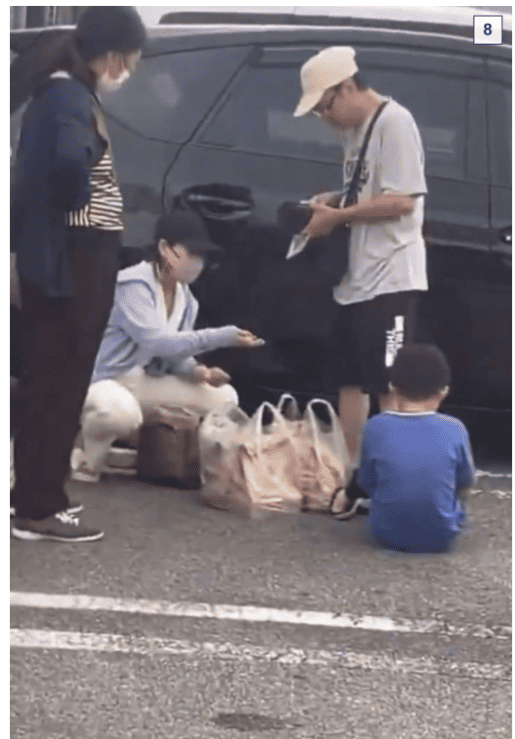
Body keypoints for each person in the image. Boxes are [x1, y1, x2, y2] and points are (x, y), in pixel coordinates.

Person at [10, 7, 147, 543]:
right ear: (110, 56)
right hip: (77, 257)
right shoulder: (69, 97)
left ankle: (35, 497)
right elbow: (70, 162)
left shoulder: (58, 92)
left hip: (63, 257)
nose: (128, 71)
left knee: (51, 377)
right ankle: (40, 506)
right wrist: (80, 198)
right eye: (129, 60)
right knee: (61, 383)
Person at [293, 46, 428, 467]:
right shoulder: (355, 132)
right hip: (357, 277)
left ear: (347, 87)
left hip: (392, 275)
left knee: (389, 383)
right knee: (349, 379)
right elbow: (369, 190)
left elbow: (403, 201)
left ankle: (393, 472)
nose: (325, 118)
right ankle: (348, 470)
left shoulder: (395, 122)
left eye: (325, 106)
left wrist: (338, 217)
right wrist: (335, 199)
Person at [71, 209, 264, 482]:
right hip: (103, 379)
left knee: (224, 398)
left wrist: (199, 372)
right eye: (191, 253)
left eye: (202, 256)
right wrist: (224, 336)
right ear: (164, 248)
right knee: (120, 412)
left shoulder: (187, 299)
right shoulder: (133, 285)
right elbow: (157, 342)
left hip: (142, 383)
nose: (198, 263)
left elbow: (175, 354)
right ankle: (85, 458)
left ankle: (157, 457)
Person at [357, 344, 475, 553]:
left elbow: (367, 481)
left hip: (385, 533)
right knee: (458, 496)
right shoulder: (455, 428)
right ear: (444, 391)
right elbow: (465, 482)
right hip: (441, 536)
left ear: (392, 388)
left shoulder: (375, 426)